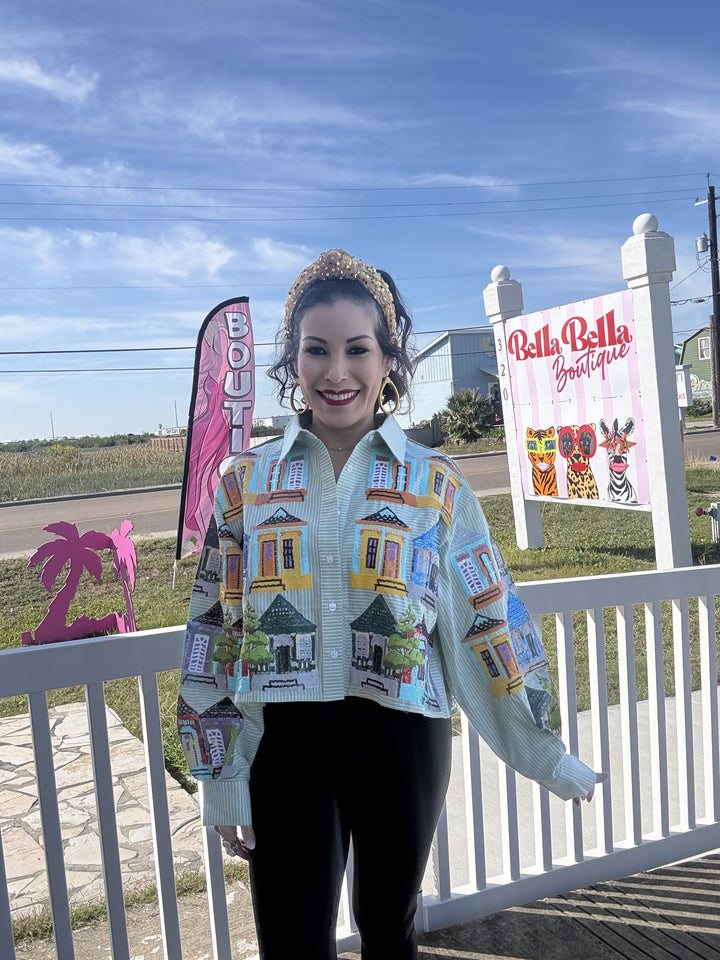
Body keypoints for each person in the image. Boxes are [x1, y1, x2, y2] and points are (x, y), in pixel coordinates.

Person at [177, 249, 602, 960]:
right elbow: (213, 630)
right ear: (294, 361)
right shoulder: (244, 482)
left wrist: (545, 752)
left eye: (356, 349)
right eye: (316, 350)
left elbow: (488, 618)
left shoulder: (433, 481)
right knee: (291, 940)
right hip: (284, 745)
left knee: (389, 932)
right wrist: (219, 778)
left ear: (387, 361)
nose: (335, 372)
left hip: (403, 743)